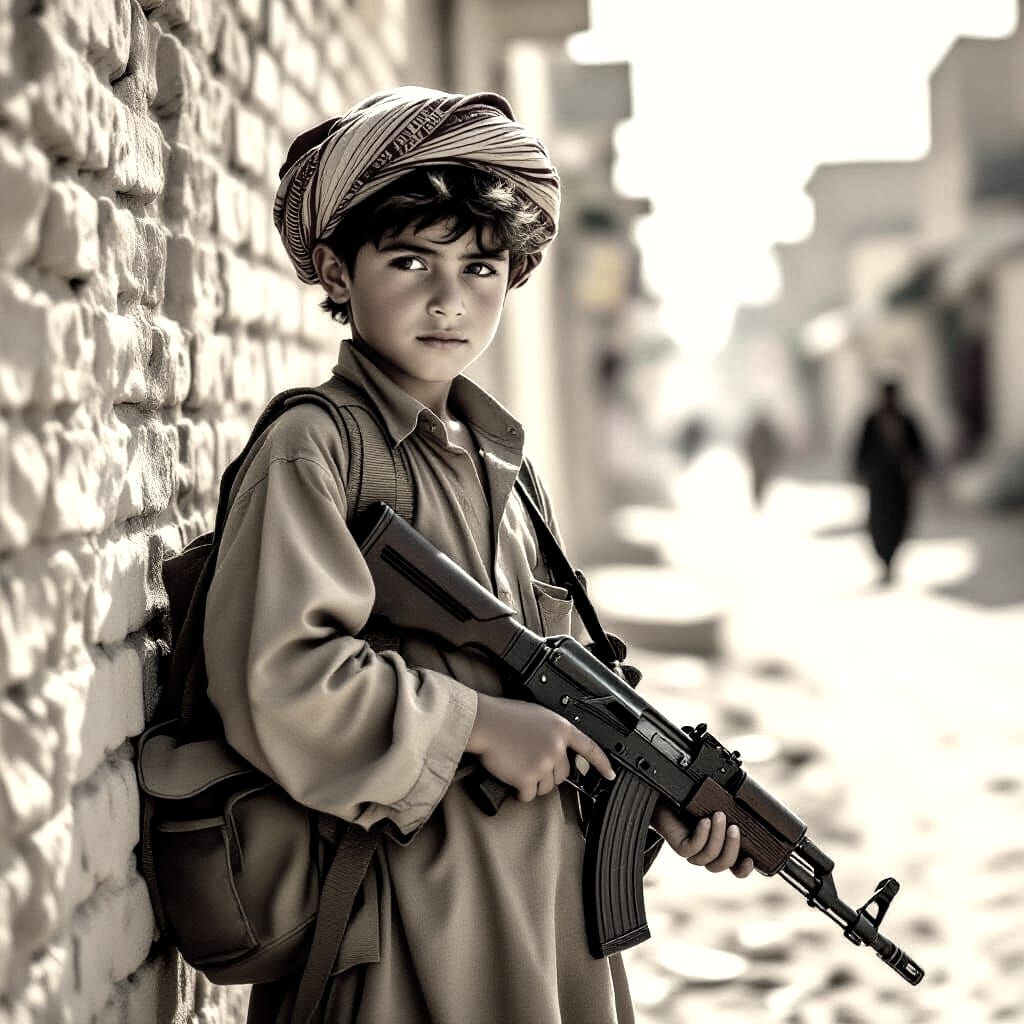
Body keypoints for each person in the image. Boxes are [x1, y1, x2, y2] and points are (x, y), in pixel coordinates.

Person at [202, 87, 753, 1024]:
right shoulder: (318, 446)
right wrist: (481, 726)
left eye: (483, 267)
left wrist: (653, 793)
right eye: (410, 260)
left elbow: (566, 676)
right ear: (337, 271)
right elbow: (280, 679)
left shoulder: (501, 454)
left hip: (546, 912)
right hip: (410, 918)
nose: (449, 299)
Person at [853, 379, 930, 585]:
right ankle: (884, 562)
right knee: (879, 525)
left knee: (900, 523)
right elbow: (860, 450)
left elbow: (920, 450)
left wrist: (918, 470)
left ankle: (892, 562)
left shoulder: (906, 420)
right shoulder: (871, 421)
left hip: (900, 485)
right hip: (879, 485)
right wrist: (862, 472)